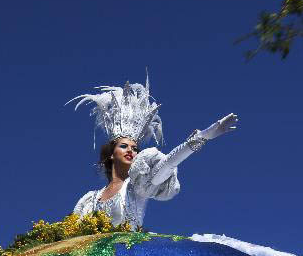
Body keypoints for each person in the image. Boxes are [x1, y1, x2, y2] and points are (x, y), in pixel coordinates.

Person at [70, 77, 237, 230]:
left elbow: (168, 164)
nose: (131, 150)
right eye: (124, 146)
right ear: (111, 154)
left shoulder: (136, 185)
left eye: (135, 148)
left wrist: (201, 138)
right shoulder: (90, 199)